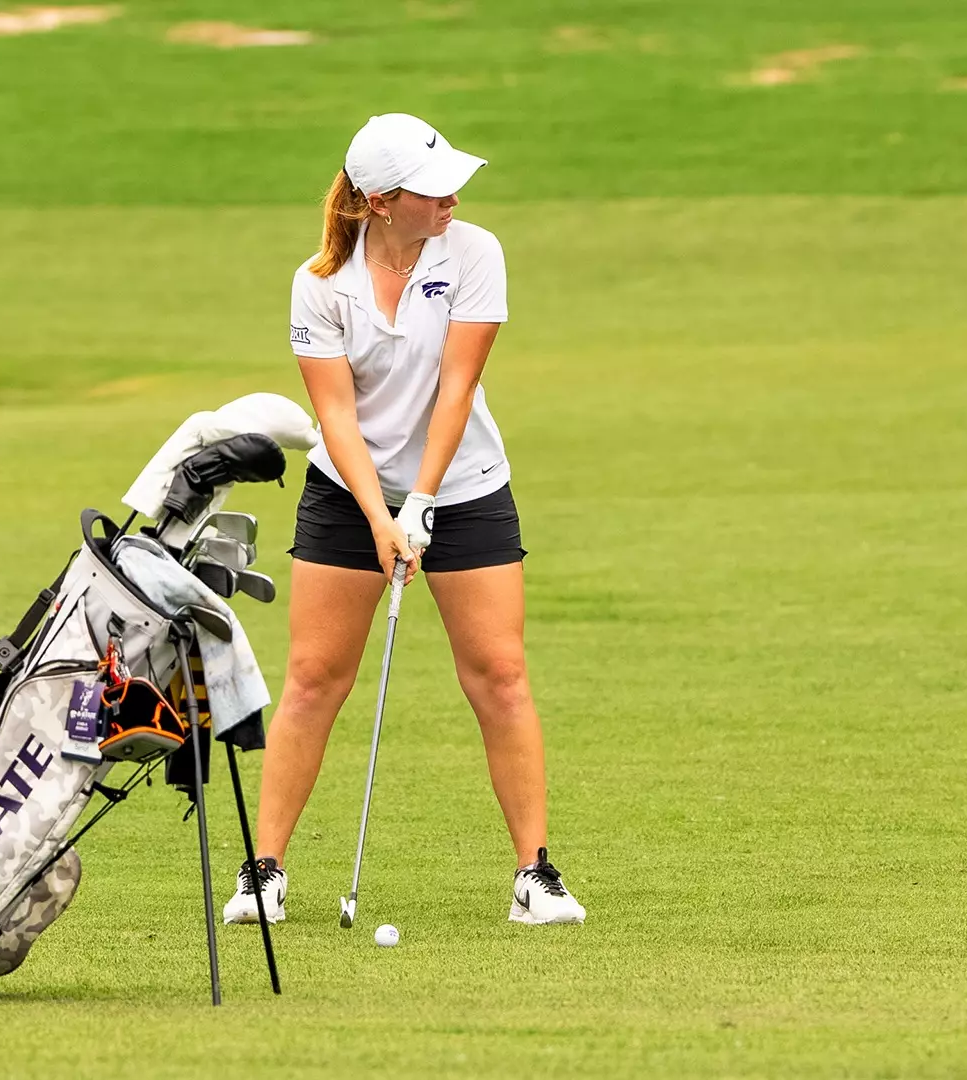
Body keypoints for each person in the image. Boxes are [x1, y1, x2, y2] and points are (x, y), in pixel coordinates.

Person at [222, 114, 586, 926]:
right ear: (382, 203)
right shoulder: (319, 281)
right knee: (315, 681)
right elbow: (337, 419)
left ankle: (536, 875)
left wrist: (419, 503)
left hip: (465, 486)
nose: (452, 197)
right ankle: (264, 871)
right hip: (347, 493)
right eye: (432, 188)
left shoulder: (475, 252)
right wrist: (379, 517)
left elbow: (455, 389)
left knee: (500, 675)